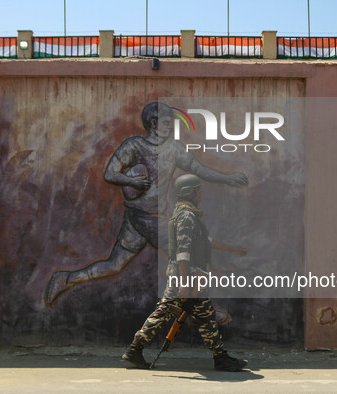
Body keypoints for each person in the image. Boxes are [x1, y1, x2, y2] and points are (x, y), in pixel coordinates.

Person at [44, 102, 248, 305]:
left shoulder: (174, 148)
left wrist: (227, 178)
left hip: (139, 219)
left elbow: (198, 169)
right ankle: (204, 310)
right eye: (166, 123)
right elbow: (110, 173)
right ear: (153, 124)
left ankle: (65, 279)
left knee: (115, 265)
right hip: (150, 219)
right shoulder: (134, 146)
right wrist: (131, 181)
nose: (170, 127)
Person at [122, 174, 248, 371]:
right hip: (187, 276)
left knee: (205, 316)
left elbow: (206, 241)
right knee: (165, 312)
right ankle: (134, 349)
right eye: (198, 190)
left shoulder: (190, 214)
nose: (200, 193)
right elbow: (183, 250)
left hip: (194, 276)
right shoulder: (186, 216)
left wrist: (233, 249)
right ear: (190, 192)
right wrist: (184, 283)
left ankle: (220, 357)